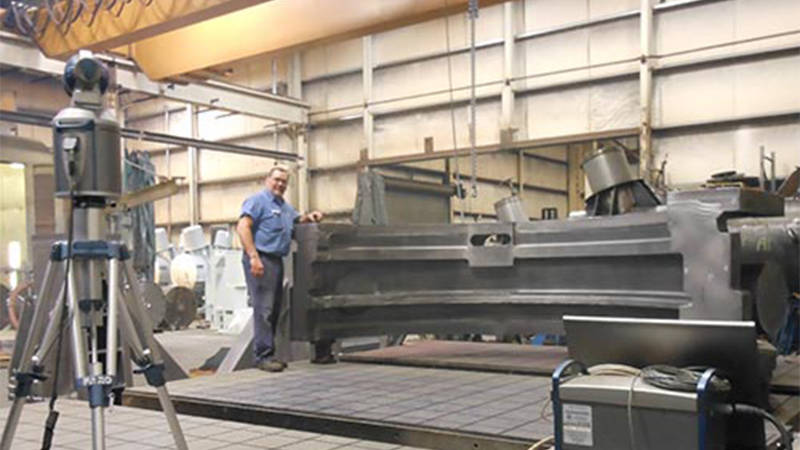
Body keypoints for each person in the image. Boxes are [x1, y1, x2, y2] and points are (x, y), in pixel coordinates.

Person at [236, 165, 323, 372]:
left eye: (284, 182)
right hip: (261, 259)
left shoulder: (284, 207)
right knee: (264, 309)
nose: (280, 184)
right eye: (277, 180)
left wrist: (310, 217)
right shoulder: (257, 201)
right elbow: (243, 227)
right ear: (267, 180)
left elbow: (297, 220)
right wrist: (253, 257)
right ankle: (262, 356)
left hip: (276, 261)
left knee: (274, 310)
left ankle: (269, 354)